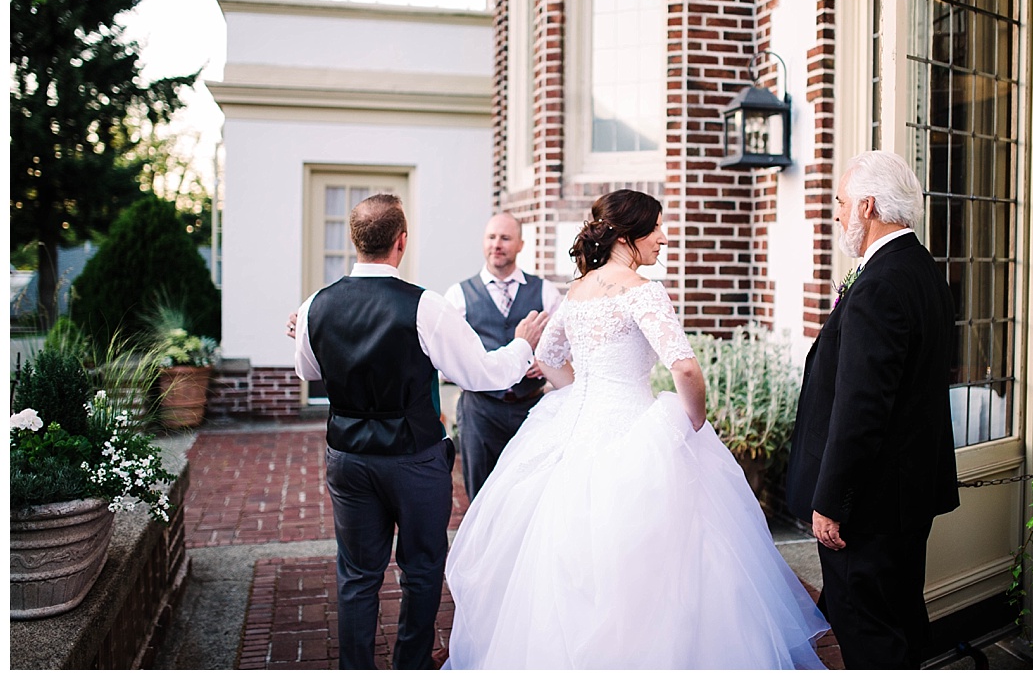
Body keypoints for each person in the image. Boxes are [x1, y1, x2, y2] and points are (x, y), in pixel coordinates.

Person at [443, 189, 829, 670]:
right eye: (657, 229)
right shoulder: (642, 290)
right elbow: (685, 369)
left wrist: (574, 394)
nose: (664, 239)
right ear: (628, 235)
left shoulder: (577, 290)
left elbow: (547, 359)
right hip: (633, 427)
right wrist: (692, 420)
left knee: (565, 557)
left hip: (573, 430)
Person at [291, 193, 548, 670]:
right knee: (423, 566)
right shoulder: (425, 306)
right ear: (401, 242)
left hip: (347, 457)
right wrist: (520, 346)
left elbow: (309, 372)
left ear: (354, 241)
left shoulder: (314, 306)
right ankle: (410, 664)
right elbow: (480, 375)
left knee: (357, 574)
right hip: (414, 458)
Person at [784, 150, 960, 669]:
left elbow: (863, 406)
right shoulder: (921, 270)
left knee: (868, 634)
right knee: (899, 617)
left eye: (840, 202)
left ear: (868, 205)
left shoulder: (881, 283)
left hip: (870, 504)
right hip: (904, 495)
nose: (837, 213)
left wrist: (833, 501)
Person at [443, 213, 563, 500]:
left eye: (505, 238)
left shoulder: (545, 292)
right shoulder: (458, 295)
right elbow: (446, 359)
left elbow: (565, 344)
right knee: (481, 492)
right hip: (480, 410)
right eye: (491, 237)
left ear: (521, 244)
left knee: (530, 491)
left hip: (532, 408)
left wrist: (546, 364)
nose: (497, 244)